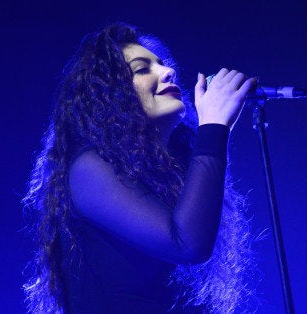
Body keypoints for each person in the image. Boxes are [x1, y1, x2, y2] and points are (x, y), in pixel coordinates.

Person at [23, 23, 259, 313]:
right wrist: (213, 128)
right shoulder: (88, 170)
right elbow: (188, 244)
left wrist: (215, 133)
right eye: (142, 69)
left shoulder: (174, 167)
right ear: (110, 96)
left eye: (163, 64)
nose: (168, 71)